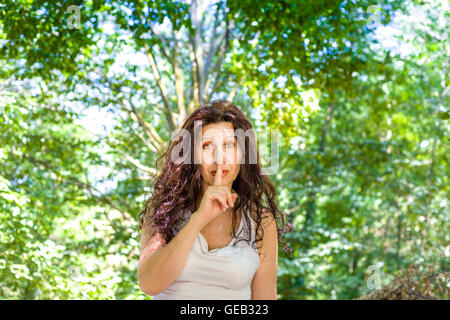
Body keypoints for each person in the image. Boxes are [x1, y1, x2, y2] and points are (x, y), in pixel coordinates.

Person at [137, 99, 291, 300]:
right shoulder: (165, 209)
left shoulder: (261, 220)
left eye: (229, 145)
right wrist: (200, 217)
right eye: (207, 146)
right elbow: (149, 284)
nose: (219, 158)